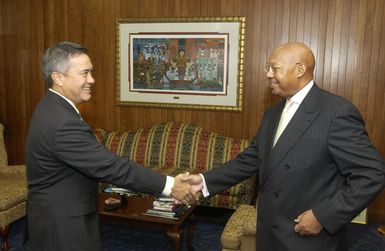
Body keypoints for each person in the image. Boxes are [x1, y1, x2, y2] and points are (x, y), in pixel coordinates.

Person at [185, 42, 385, 251]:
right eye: (268, 68)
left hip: (308, 237)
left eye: (274, 68)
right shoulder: (272, 114)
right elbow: (251, 159)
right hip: (269, 233)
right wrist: (204, 180)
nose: (268, 74)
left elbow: (372, 174)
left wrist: (324, 216)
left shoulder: (336, 112)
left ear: (299, 70)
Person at [24, 41, 195, 251]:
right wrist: (170, 185)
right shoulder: (61, 122)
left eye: (91, 73)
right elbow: (112, 167)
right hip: (62, 225)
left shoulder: (51, 107)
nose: (92, 80)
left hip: (58, 214)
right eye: (84, 73)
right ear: (58, 77)